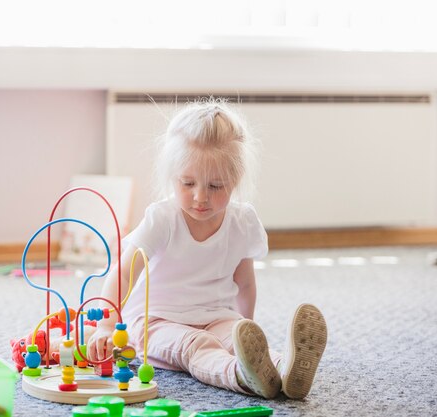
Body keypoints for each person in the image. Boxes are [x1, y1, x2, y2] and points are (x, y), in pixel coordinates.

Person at [87, 99, 327, 399]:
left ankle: (285, 368)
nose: (200, 197)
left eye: (216, 186)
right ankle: (241, 375)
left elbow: (245, 282)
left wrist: (244, 327)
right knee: (197, 347)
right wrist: (107, 326)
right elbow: (123, 273)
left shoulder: (243, 222)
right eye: (188, 183)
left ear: (236, 180)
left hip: (217, 316)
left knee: (232, 339)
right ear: (173, 176)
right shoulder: (162, 219)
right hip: (158, 321)